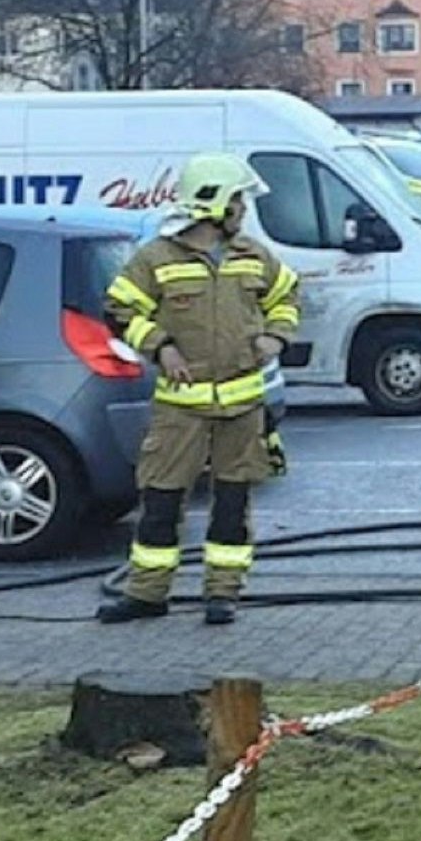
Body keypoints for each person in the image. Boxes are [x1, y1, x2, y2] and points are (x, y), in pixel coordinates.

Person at [96, 152, 299, 627]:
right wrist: (161, 346)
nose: (243, 211)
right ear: (215, 205)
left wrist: (276, 336)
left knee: (233, 502)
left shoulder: (254, 256)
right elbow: (119, 311)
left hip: (243, 404)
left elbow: (286, 296)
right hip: (180, 409)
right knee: (162, 500)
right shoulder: (157, 260)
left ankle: (222, 594)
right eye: (238, 201)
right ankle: (147, 595)